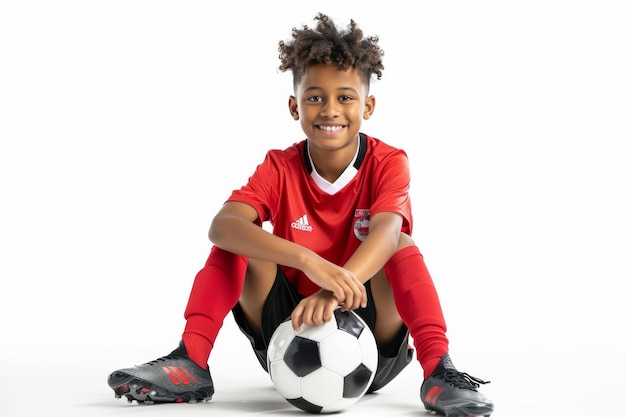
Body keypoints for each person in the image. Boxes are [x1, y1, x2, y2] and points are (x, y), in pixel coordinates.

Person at [107, 12, 494, 417]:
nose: (330, 110)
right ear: (295, 106)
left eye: (345, 97)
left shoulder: (388, 162)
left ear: (369, 105)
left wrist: (334, 289)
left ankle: (440, 370)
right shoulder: (280, 166)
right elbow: (222, 226)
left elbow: (385, 232)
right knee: (241, 236)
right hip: (288, 333)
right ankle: (191, 360)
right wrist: (311, 264)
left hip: (372, 340)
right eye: (315, 97)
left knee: (400, 242)